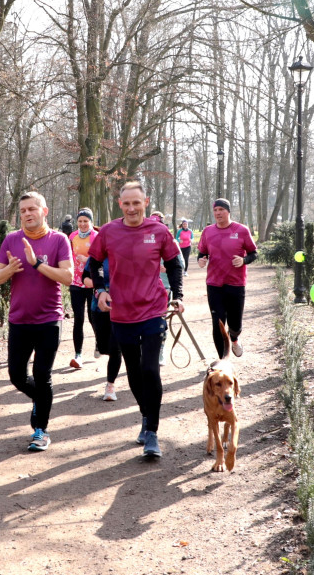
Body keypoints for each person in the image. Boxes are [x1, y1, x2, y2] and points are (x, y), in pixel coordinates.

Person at [84, 181, 183, 458]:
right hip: (121, 313)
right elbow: (93, 262)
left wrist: (178, 295)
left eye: (136, 202)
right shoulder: (108, 232)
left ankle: (152, 431)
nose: (131, 208)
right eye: (126, 203)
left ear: (146, 202)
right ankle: (145, 415)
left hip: (153, 310)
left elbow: (175, 264)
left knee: (151, 370)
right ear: (120, 205)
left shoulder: (159, 231)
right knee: (135, 373)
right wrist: (100, 289)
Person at [0, 192, 74, 452]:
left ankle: (40, 430)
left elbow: (68, 277)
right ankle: (41, 400)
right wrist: (9, 270)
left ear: (44, 211)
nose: (27, 214)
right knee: (16, 375)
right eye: (23, 210)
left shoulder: (58, 240)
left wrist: (36, 264)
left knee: (42, 374)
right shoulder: (12, 240)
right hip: (19, 319)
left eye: (32, 209)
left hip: (49, 319)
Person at [197, 198, 257, 359]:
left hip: (235, 284)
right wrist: (201, 259)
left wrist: (244, 260)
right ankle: (223, 359)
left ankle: (235, 339)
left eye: (221, 210)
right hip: (214, 284)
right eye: (215, 210)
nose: (218, 213)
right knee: (218, 323)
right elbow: (202, 252)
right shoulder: (208, 231)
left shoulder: (241, 230)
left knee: (235, 323)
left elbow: (254, 253)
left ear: (228, 211)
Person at [87, 257, 122, 401]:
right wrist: (99, 289)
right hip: (100, 308)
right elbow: (85, 277)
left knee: (116, 348)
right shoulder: (97, 254)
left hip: (123, 309)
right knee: (103, 348)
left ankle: (110, 385)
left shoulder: (128, 250)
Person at [67, 208, 98, 369]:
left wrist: (88, 260)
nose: (83, 224)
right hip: (75, 283)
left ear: (91, 222)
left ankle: (99, 343)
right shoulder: (72, 236)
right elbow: (68, 256)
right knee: (78, 319)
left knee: (93, 317)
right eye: (80, 221)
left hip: (92, 282)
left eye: (86, 221)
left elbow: (103, 259)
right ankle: (78, 354)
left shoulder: (97, 237)